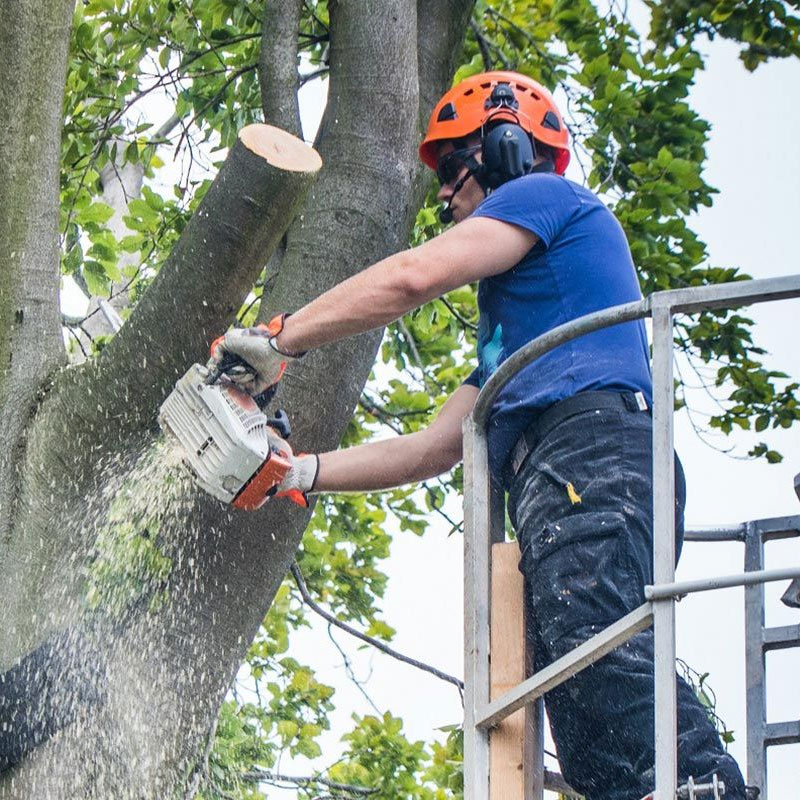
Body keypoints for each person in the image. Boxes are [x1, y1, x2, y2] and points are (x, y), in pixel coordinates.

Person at [211, 71, 748, 800]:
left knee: (597, 628)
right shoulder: (513, 347)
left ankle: (705, 786)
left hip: (593, 446)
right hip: (563, 467)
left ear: (503, 145)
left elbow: (410, 278)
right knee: (579, 691)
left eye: (452, 167)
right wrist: (297, 471)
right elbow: (436, 448)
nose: (442, 194)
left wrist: (280, 338)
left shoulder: (545, 197)